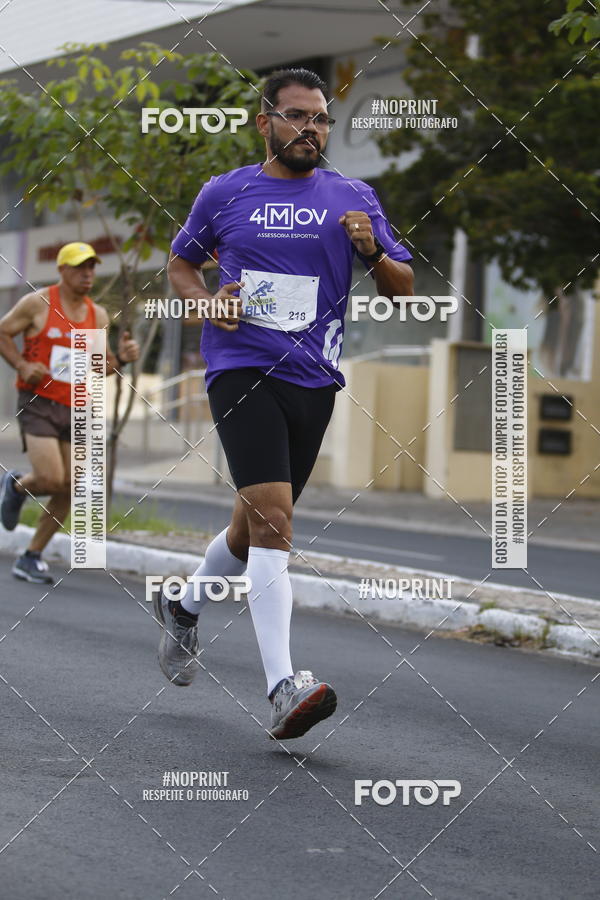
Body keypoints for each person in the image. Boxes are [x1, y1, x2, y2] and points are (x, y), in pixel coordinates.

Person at [155, 67, 414, 740]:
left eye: (321, 118)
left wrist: (371, 251)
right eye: (298, 116)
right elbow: (181, 264)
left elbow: (402, 287)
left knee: (253, 529)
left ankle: (182, 607)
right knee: (275, 526)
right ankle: (282, 688)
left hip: (314, 379)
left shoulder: (353, 196)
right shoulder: (226, 191)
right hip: (240, 367)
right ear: (265, 121)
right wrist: (207, 303)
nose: (311, 128)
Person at [0, 242, 139, 584]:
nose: (87, 273)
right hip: (39, 403)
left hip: (77, 406)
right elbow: (3, 331)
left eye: (91, 267)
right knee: (49, 478)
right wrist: (21, 363)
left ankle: (31, 556)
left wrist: (120, 358)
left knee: (72, 485)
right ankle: (18, 486)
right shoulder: (38, 303)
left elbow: (97, 365)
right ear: (62, 270)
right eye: (79, 267)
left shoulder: (98, 315)